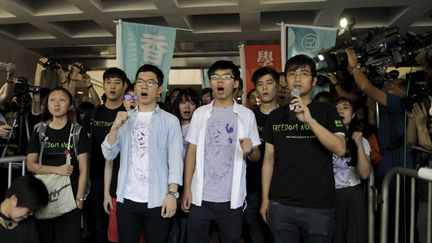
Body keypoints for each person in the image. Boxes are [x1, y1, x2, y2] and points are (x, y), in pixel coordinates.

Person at [260, 54, 346, 243]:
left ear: (314, 81)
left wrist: (310, 120)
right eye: (292, 74)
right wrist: (266, 199)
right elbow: (268, 160)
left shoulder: (328, 112)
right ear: (285, 80)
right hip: (281, 205)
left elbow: (340, 149)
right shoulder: (275, 116)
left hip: (318, 206)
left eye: (304, 73)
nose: (297, 79)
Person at [101, 64, 183, 243]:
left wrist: (172, 194)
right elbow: (109, 154)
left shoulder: (170, 121)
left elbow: (175, 160)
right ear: (135, 87)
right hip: (127, 199)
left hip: (157, 200)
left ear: (159, 89)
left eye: (150, 82)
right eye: (139, 82)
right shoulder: (124, 118)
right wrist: (115, 127)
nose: (144, 86)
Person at [182, 60, 261, 243]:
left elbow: (256, 156)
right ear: (210, 82)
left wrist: (250, 151)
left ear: (235, 83)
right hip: (200, 195)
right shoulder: (201, 113)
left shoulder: (246, 115)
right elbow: (191, 152)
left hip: (232, 198)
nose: (220, 81)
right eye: (215, 77)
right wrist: (187, 188)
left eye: (226, 77)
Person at [26, 87, 90, 243]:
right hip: (42, 196)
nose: (56, 104)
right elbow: (30, 165)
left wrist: (79, 200)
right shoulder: (40, 130)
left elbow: (84, 168)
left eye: (62, 100)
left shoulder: (77, 131)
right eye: (52, 100)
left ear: (70, 106)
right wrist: (58, 170)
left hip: (70, 197)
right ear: (47, 104)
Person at [81, 67, 128, 243]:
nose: (112, 86)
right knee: (99, 228)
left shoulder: (128, 113)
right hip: (96, 179)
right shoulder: (93, 114)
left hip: (121, 178)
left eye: (117, 82)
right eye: (108, 82)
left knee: (122, 228)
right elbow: (84, 147)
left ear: (124, 86)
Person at [244, 66, 280, 243]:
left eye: (269, 83)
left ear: (278, 86)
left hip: (282, 190)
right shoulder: (248, 117)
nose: (265, 88)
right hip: (252, 189)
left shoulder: (289, 116)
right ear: (255, 89)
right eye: (260, 84)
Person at [332, 97, 371, 243]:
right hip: (329, 193)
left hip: (353, 193)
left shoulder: (362, 140)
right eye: (336, 108)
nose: (340, 111)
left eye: (345, 107)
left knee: (355, 237)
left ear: (353, 115)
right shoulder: (326, 138)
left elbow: (365, 174)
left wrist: (359, 144)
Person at [170, 88, 201, 243]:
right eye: (183, 102)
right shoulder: (170, 124)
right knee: (172, 224)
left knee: (187, 224)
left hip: (193, 182)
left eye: (192, 103)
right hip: (172, 181)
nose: (187, 107)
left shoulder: (201, 128)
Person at [0, 175, 48, 243]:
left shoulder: (28, 222)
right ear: (14, 199)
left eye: (33, 211)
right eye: (30, 209)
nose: (31, 214)